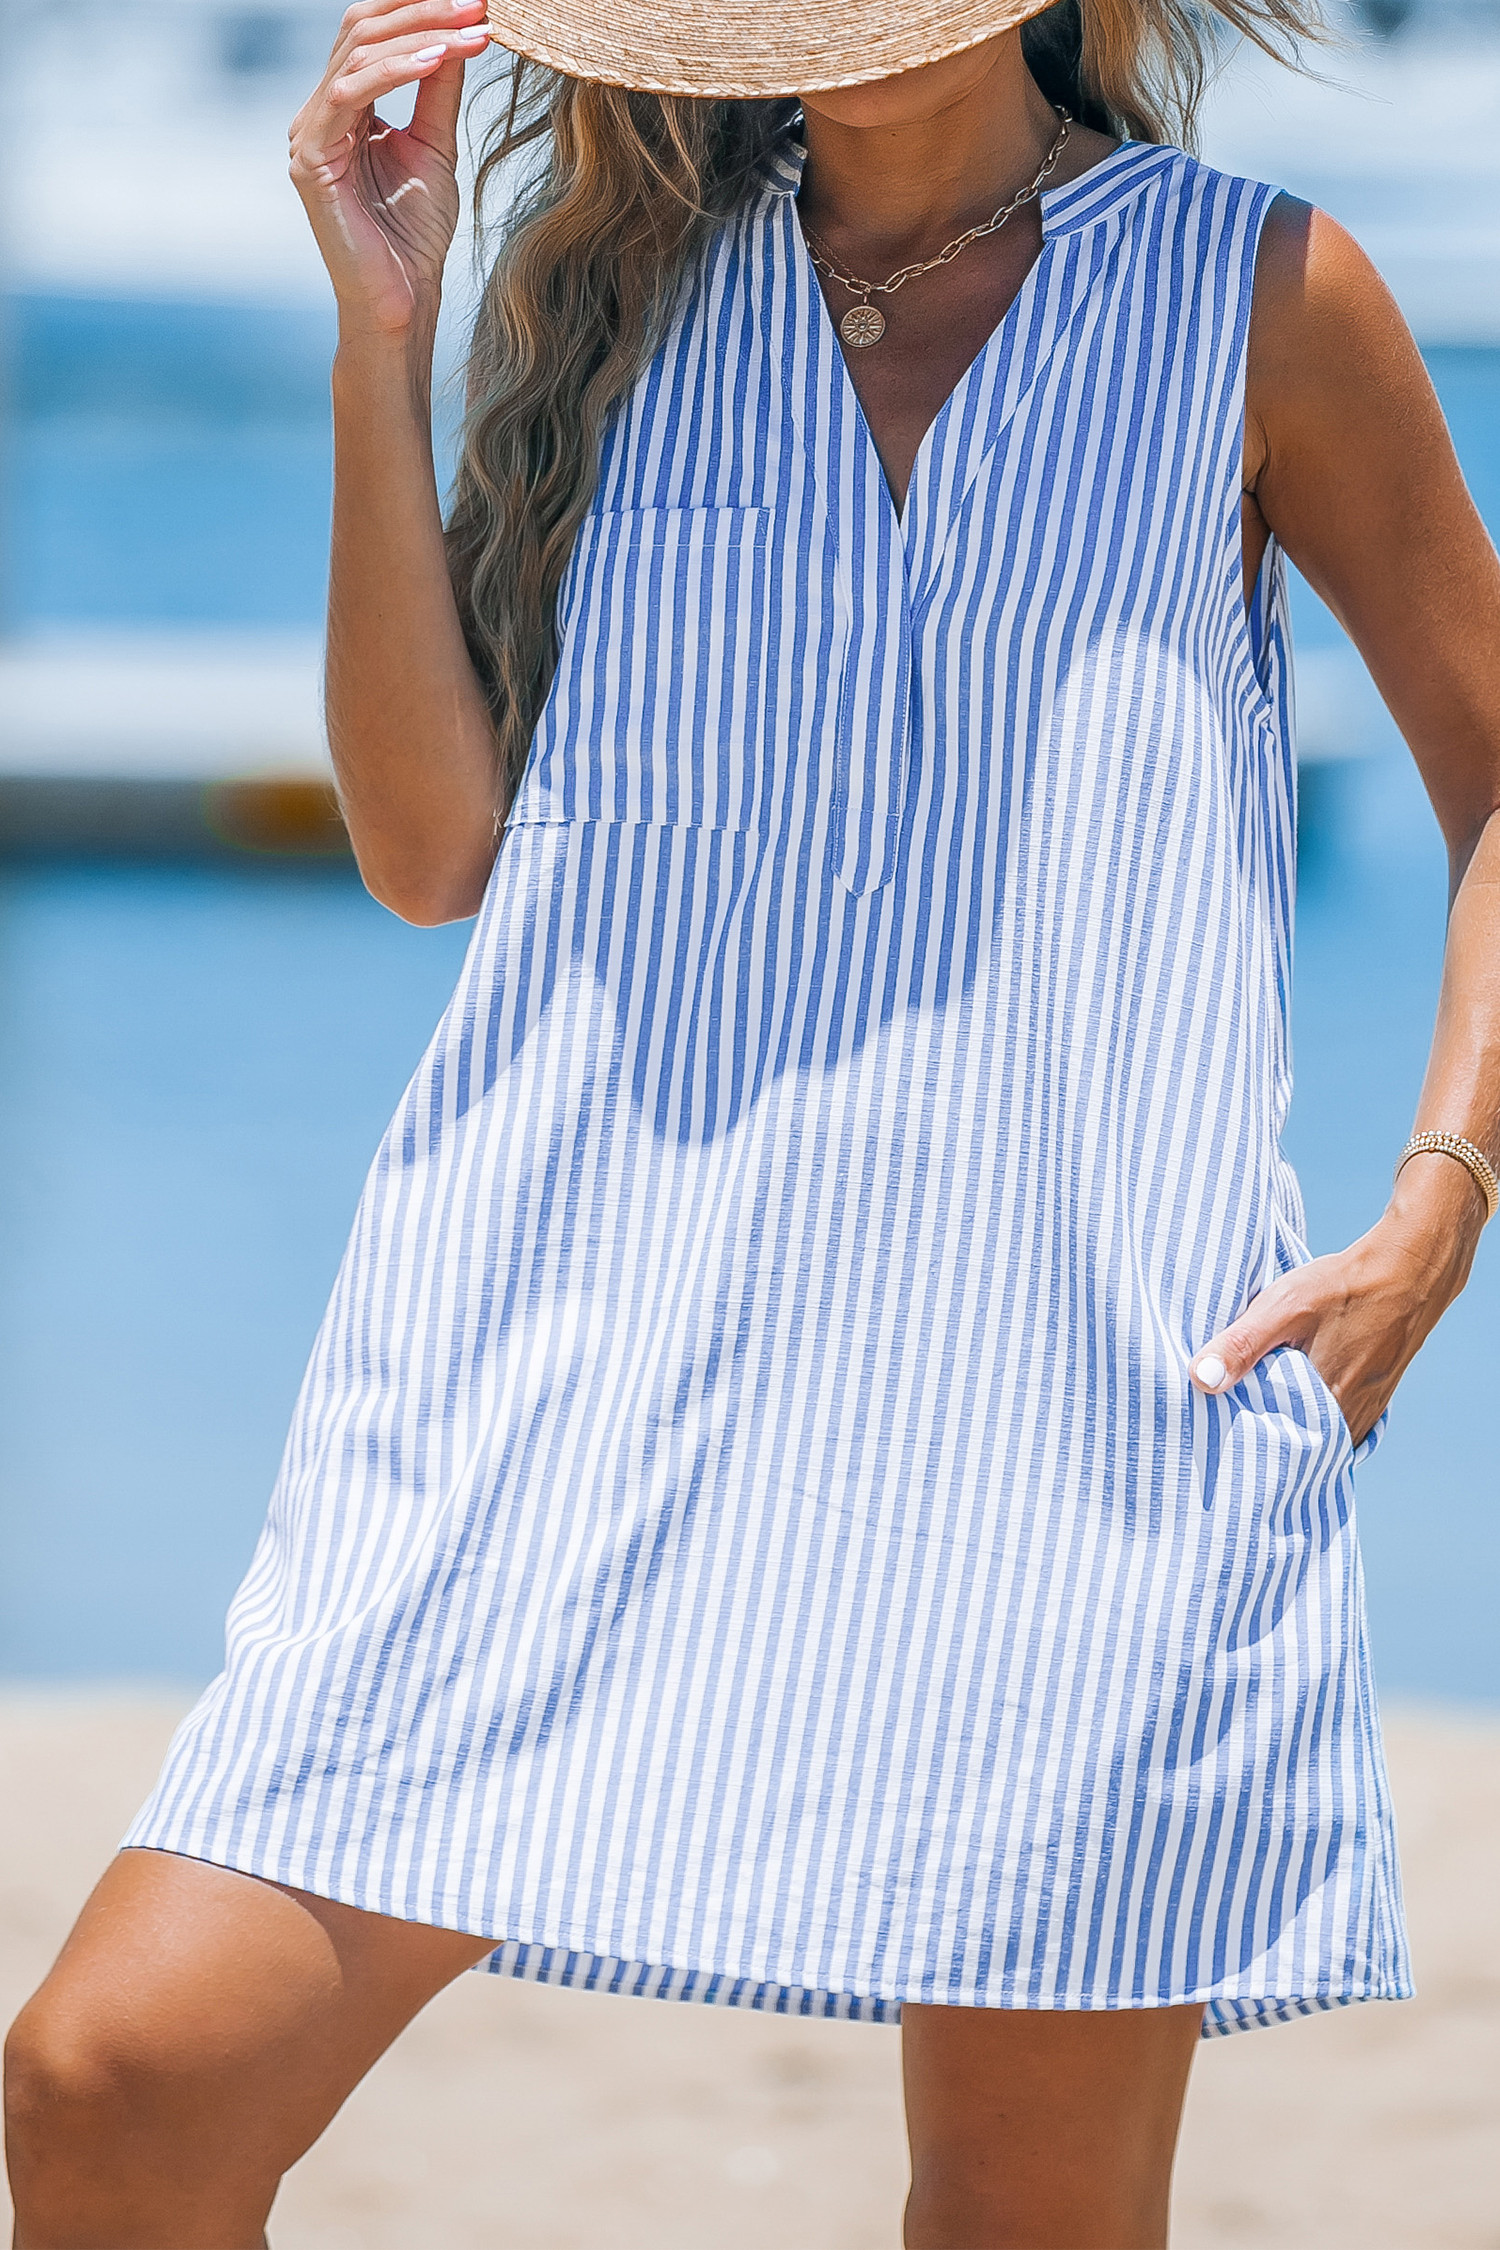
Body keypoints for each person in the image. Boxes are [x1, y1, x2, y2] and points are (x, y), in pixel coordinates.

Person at [7, 0, 1500, 2241]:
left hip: (1069, 1421)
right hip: (562, 1381)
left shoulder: (1264, 296)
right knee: (110, 2081)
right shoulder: (619, 304)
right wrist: (381, 339)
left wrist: (1438, 1208)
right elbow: (428, 853)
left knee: (1026, 2218)